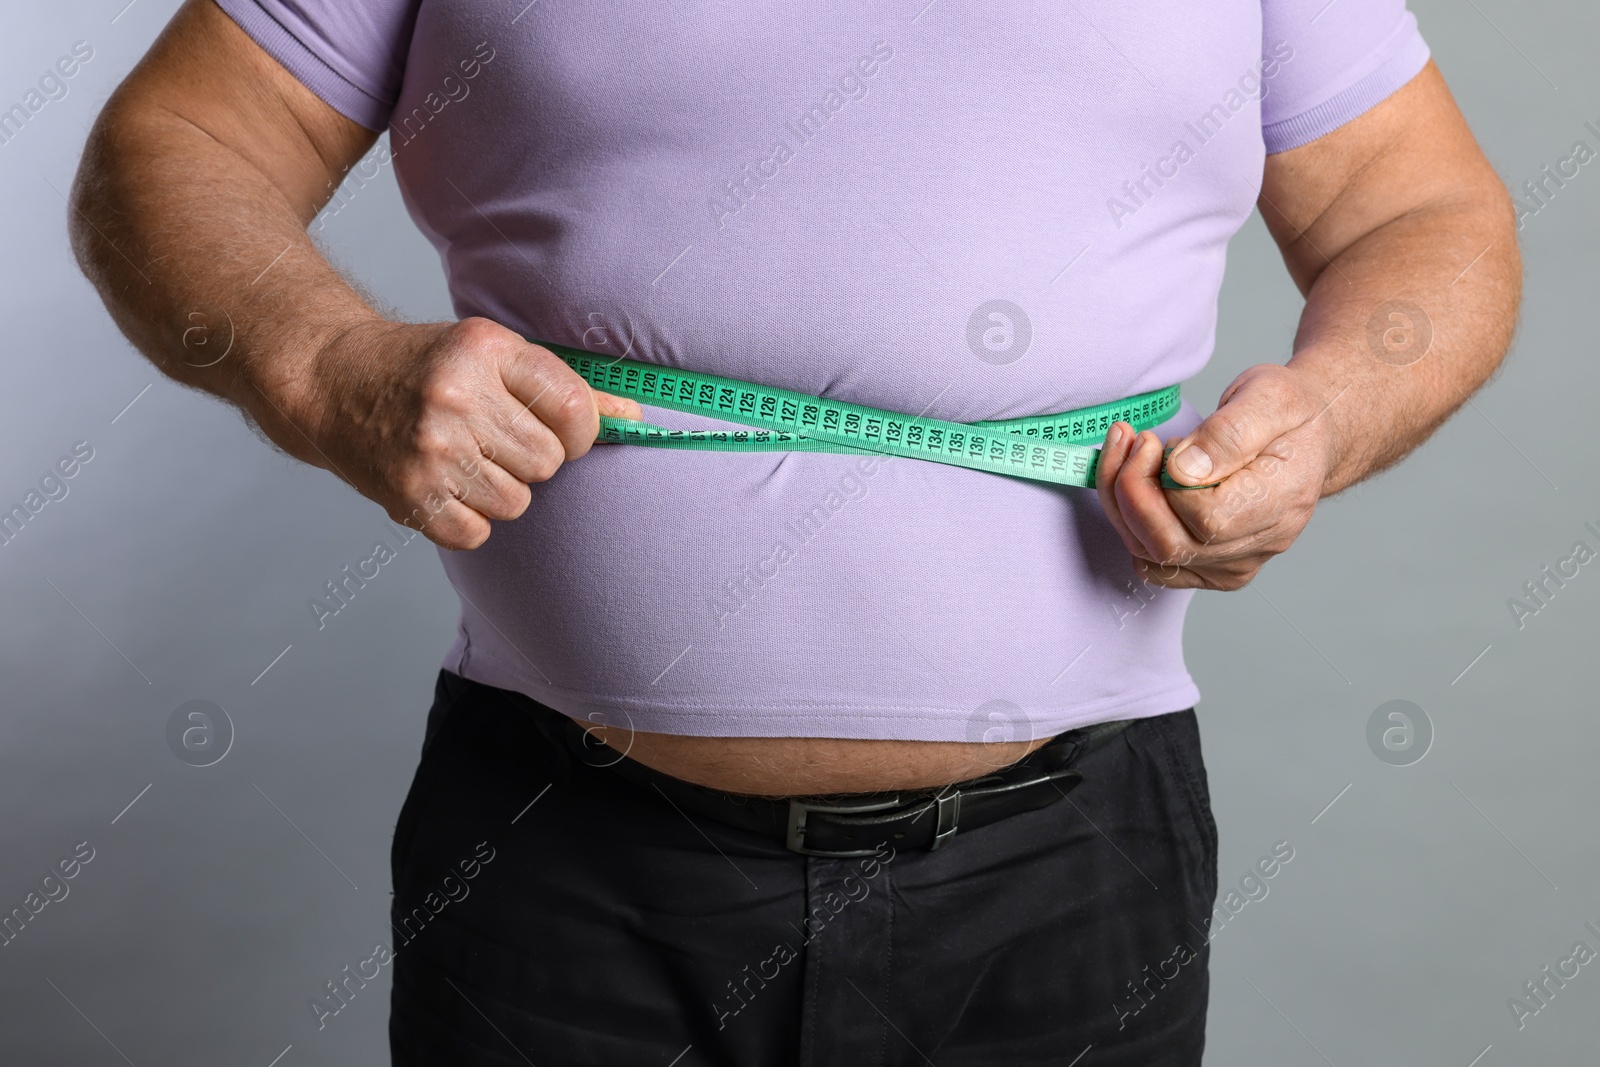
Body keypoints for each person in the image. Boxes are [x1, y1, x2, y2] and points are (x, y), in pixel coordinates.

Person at [69, 0, 1519, 1062]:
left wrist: (1331, 415)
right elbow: (175, 142)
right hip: (565, 865)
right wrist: (330, 366)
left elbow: (1424, 209)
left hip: (1072, 874)